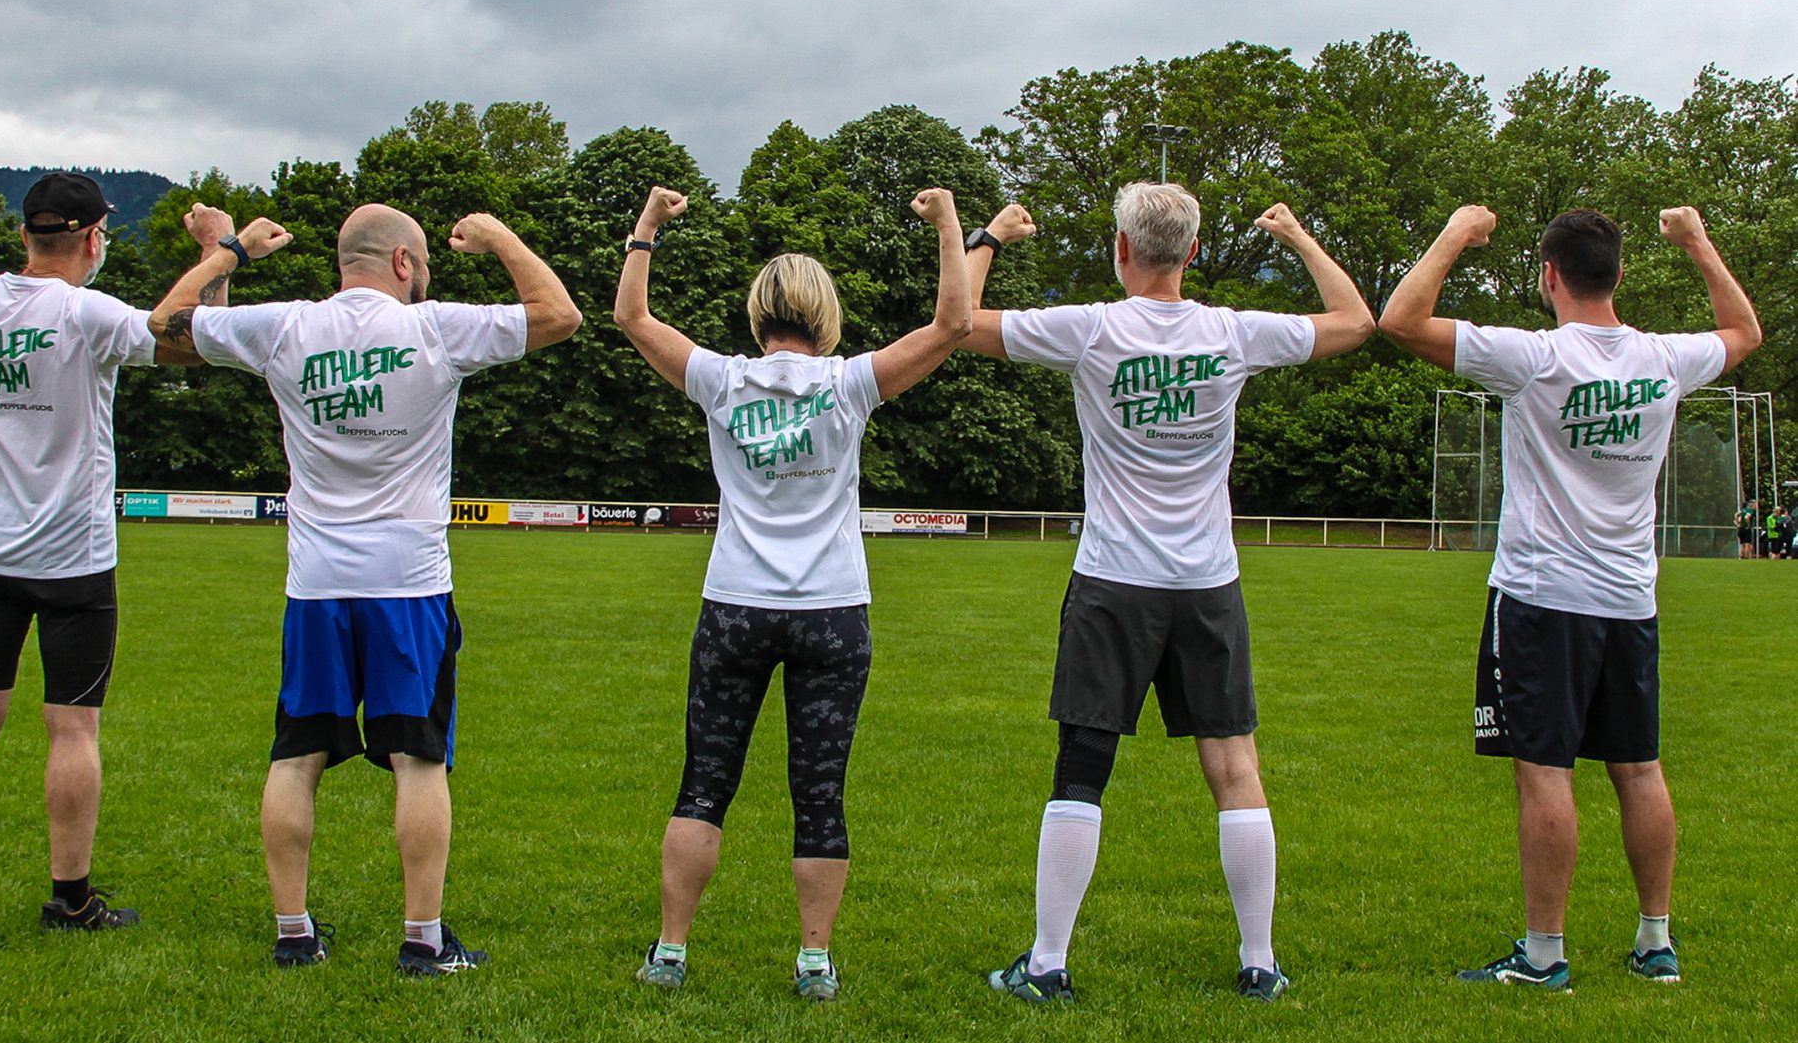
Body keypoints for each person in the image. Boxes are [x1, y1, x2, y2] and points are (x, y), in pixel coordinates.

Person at [962, 184, 1375, 1005]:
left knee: (1082, 766)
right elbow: (1357, 320)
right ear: (1192, 255)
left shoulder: (1091, 327)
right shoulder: (1231, 332)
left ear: (1120, 250)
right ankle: (1259, 961)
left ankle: (1047, 964)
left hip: (1115, 577)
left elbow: (957, 320)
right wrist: (1297, 235)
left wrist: (989, 236)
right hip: (1206, 582)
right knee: (1234, 766)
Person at [149, 202, 580, 975]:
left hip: (316, 584)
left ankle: (293, 932)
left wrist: (226, 252)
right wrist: (496, 237)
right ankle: (421, 940)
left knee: (297, 753)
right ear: (405, 264)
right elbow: (559, 314)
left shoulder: (285, 327)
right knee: (418, 761)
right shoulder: (434, 329)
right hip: (408, 584)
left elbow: (171, 329)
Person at [1381, 205, 1759, 990]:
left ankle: (1545, 954)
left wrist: (1455, 232)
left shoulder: (1535, 357)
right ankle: (1656, 942)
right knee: (1638, 766)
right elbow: (1744, 332)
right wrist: (1696, 243)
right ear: (1617, 275)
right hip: (1629, 599)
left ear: (1549, 274)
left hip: (1543, 596)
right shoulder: (1663, 359)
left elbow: (1399, 319)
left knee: (1545, 769)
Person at [612, 182, 970, 1002]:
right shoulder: (848, 384)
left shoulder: (722, 380)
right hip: (832, 614)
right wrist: (949, 223)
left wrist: (648, 225)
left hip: (734, 606)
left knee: (704, 779)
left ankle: (671, 951)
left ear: (756, 312)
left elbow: (631, 316)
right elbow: (952, 324)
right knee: (819, 792)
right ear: (826, 315)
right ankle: (813, 960)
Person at [0, 173, 243, 929]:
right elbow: (182, 337)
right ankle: (70, 899)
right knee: (72, 727)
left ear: (24, 235)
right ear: (90, 237)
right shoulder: (87, 313)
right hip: (74, 559)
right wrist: (219, 250)